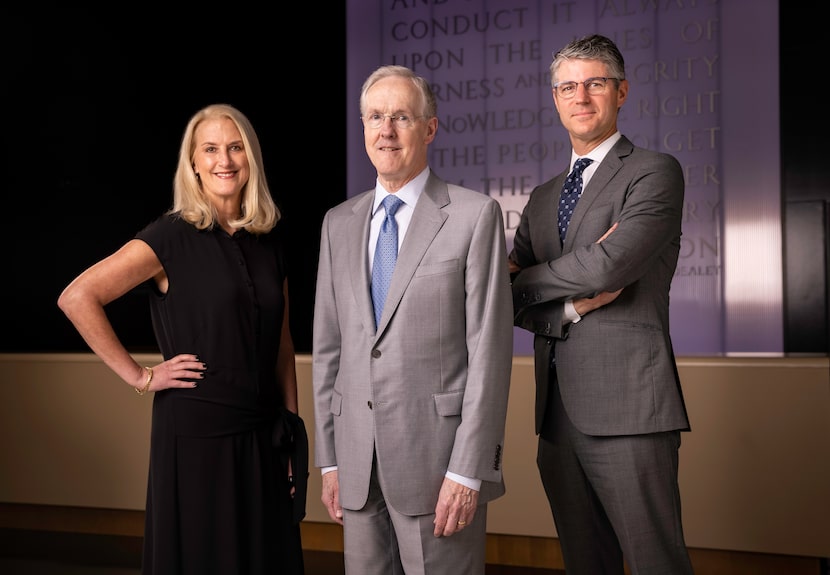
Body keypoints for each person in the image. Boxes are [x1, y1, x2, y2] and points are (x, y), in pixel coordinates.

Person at [57, 103, 306, 575]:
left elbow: (283, 346)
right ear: (192, 163)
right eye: (210, 149)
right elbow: (78, 297)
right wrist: (142, 376)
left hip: (264, 433)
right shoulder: (168, 236)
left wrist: (292, 434)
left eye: (235, 148)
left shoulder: (269, 239)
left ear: (251, 157)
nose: (224, 160)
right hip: (196, 435)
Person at [312, 64, 514, 574]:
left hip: (438, 467)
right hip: (357, 466)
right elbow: (329, 349)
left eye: (401, 116)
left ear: (429, 127)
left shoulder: (474, 215)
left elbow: (489, 353)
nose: (386, 130)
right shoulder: (338, 223)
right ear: (362, 127)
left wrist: (468, 472)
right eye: (375, 117)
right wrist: (330, 459)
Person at [509, 34, 695, 574]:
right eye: (568, 86)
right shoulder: (544, 196)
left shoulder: (654, 172)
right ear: (555, 99)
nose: (581, 96)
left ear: (621, 92)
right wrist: (572, 307)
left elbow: (610, 267)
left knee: (655, 561)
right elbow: (507, 295)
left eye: (595, 83)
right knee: (584, 564)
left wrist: (543, 277)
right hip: (557, 416)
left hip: (631, 410)